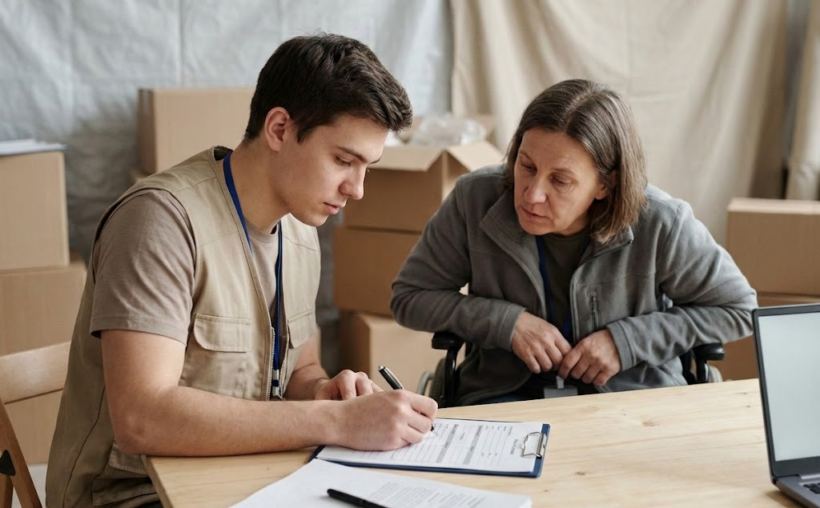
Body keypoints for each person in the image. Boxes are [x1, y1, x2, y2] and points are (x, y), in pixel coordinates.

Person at [46, 34, 437, 508]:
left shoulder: (300, 229)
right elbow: (142, 418)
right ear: (278, 128)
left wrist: (326, 392)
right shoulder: (159, 222)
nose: (356, 189)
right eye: (343, 160)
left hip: (248, 475)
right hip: (131, 494)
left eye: (367, 167)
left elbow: (301, 368)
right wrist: (337, 423)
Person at [391, 79, 757, 406]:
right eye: (527, 166)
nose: (532, 195)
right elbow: (410, 297)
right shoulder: (474, 199)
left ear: (605, 184)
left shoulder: (663, 222)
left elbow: (739, 309)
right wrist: (504, 323)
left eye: (560, 181)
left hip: (634, 399)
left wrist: (628, 341)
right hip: (503, 398)